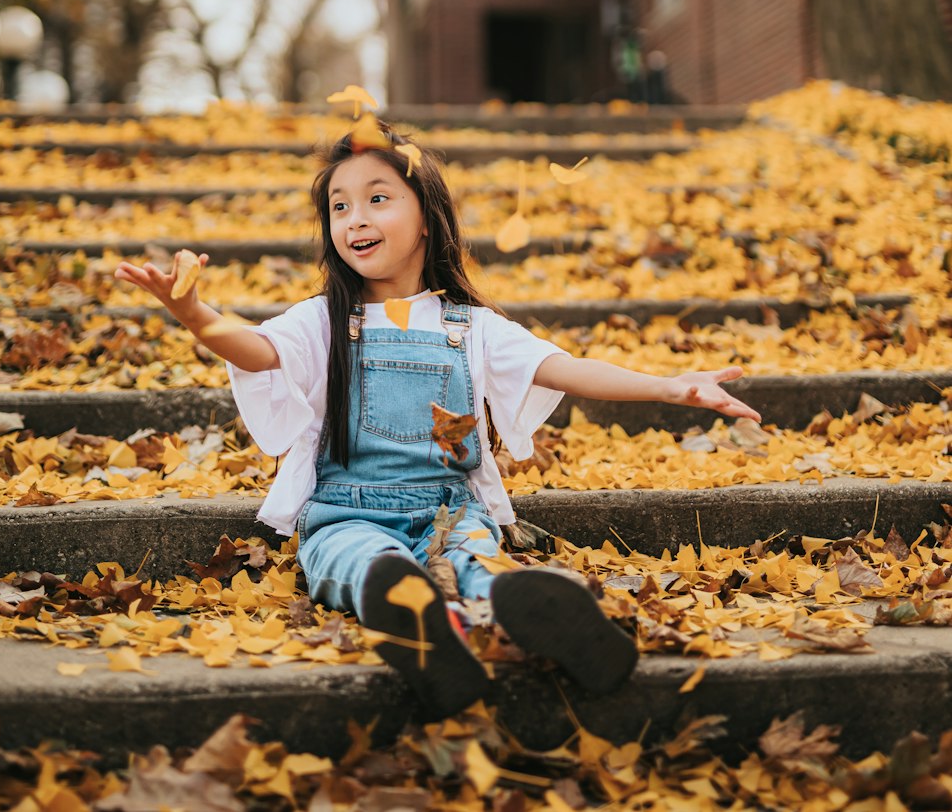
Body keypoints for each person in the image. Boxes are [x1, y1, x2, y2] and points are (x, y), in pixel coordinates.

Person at [113, 120, 761, 719]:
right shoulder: (323, 319)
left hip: (451, 511)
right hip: (349, 510)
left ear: (426, 215)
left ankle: (529, 614)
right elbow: (254, 348)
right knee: (357, 558)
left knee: (479, 558)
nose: (354, 219)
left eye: (376, 198)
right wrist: (195, 314)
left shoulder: (469, 326)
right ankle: (411, 613)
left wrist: (674, 388)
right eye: (339, 206)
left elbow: (564, 367)